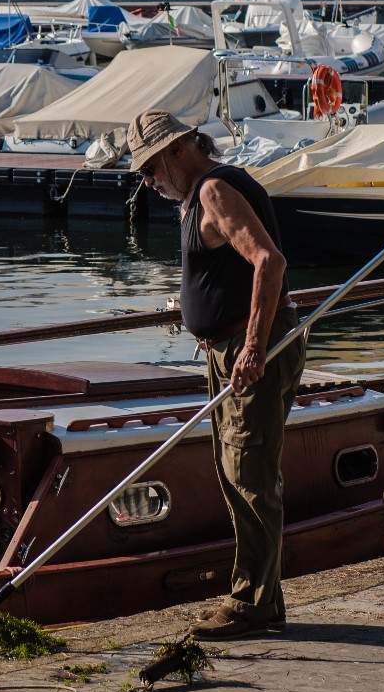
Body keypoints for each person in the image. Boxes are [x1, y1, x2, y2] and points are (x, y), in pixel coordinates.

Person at [127, 108, 302, 640]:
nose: (149, 181)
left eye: (151, 169)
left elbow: (269, 262)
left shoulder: (213, 191)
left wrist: (251, 348)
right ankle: (263, 598)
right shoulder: (199, 194)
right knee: (235, 472)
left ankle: (250, 603)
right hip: (226, 347)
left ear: (177, 150)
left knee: (248, 476)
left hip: (248, 349)